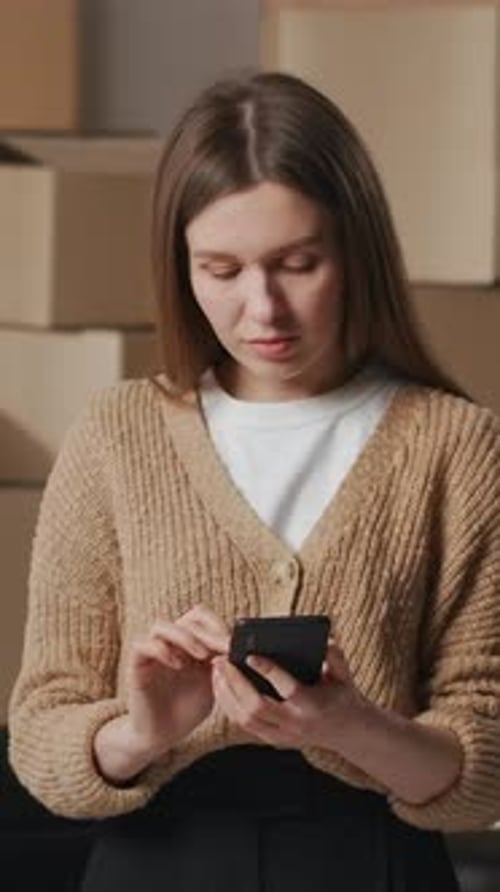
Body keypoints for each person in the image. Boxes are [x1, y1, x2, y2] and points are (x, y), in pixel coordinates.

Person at [8, 70, 500, 891]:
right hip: (152, 864)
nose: (261, 308)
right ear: (181, 266)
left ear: (356, 252)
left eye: (297, 263)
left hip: (374, 864)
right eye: (220, 269)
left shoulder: (456, 447)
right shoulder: (118, 436)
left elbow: (486, 755)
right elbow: (41, 731)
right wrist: (139, 732)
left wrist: (352, 726)